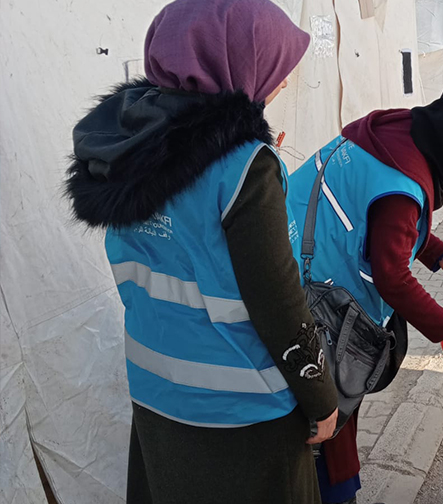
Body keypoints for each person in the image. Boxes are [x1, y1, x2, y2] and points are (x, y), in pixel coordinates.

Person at [64, 1, 340, 502]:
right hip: (242, 408)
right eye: (276, 67)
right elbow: (277, 302)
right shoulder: (242, 166)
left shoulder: (125, 150)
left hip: (155, 387)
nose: (281, 82)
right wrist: (322, 399)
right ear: (237, 66)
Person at [285, 83, 443, 504]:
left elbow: (376, 214)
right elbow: (391, 274)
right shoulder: (402, 185)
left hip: (290, 261)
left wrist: (439, 253)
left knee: (320, 420)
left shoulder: (388, 132)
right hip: (320, 305)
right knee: (326, 412)